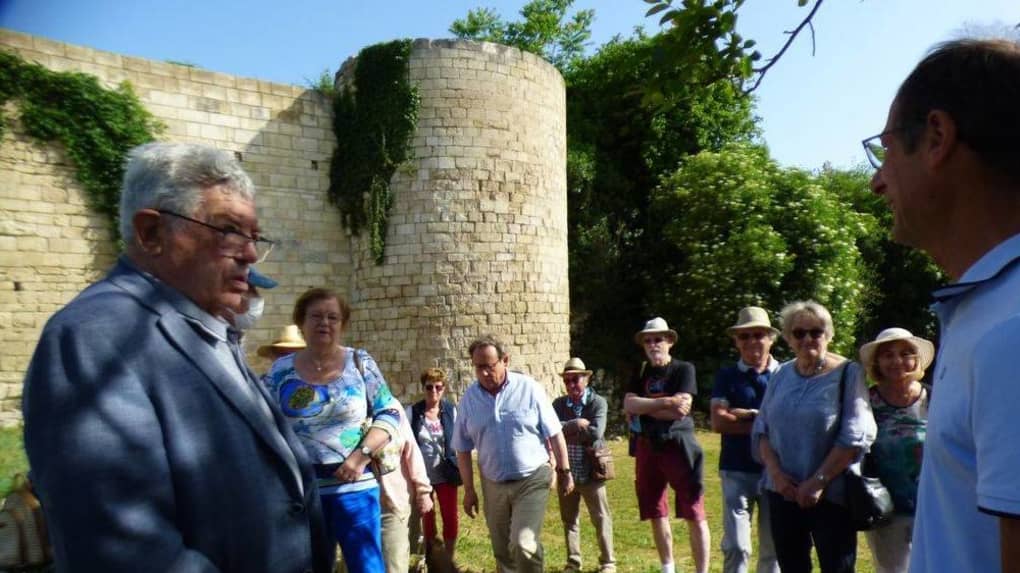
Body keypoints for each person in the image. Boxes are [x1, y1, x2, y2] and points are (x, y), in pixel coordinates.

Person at [21, 142, 334, 572]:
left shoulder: (209, 330)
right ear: (151, 233)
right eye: (227, 230)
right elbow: (126, 551)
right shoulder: (93, 339)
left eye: (254, 237)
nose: (248, 254)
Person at [866, 37, 1020, 573]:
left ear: (936, 137)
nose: (876, 180)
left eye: (884, 150)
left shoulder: (1012, 330)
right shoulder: (987, 309)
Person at [263, 287, 403, 573]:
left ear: (342, 324)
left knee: (368, 568)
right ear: (301, 322)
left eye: (332, 317)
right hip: (302, 495)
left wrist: (360, 457)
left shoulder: (359, 362)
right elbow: (262, 423)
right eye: (315, 316)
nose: (324, 323)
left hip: (356, 489)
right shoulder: (280, 371)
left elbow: (389, 413)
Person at [751, 301, 876, 573]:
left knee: (837, 567)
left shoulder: (848, 372)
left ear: (829, 335)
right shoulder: (781, 373)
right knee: (792, 566)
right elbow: (762, 428)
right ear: (787, 338)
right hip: (782, 492)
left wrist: (818, 481)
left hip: (831, 494)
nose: (808, 338)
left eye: (816, 332)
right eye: (799, 333)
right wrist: (777, 476)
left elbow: (856, 434)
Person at [452, 334, 573, 573]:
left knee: (523, 543)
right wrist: (469, 490)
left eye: (489, 366)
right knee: (502, 551)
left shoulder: (529, 389)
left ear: (505, 360)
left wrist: (565, 470)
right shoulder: (469, 399)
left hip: (532, 478)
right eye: (478, 367)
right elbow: (462, 448)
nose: (484, 373)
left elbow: (555, 433)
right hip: (493, 482)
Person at [624, 317, 711, 573]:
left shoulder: (683, 369)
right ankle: (667, 568)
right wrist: (665, 402)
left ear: (669, 341)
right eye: (648, 340)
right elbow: (629, 405)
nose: (653, 345)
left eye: (658, 339)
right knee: (655, 509)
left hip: (679, 446)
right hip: (647, 446)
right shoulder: (640, 372)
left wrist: (644, 407)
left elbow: (681, 411)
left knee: (694, 510)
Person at [857, 327, 934, 573]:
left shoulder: (934, 398)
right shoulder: (866, 402)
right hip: (886, 507)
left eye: (905, 353)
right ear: (878, 362)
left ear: (916, 359)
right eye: (888, 354)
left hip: (933, 505)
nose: (897, 361)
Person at [710, 307, 781, 573]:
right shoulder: (727, 376)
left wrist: (745, 415)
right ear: (736, 341)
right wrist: (766, 420)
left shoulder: (785, 374)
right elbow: (718, 422)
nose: (752, 341)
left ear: (771, 338)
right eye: (745, 336)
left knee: (772, 549)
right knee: (737, 546)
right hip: (736, 469)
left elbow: (786, 424)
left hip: (776, 471)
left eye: (759, 334)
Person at [552, 357, 617, 573]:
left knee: (600, 517)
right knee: (569, 520)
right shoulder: (558, 404)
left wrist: (565, 432)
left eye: (575, 380)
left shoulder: (598, 403)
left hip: (592, 470)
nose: (571, 385)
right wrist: (576, 424)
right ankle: (573, 562)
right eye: (567, 381)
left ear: (586, 380)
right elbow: (552, 431)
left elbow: (596, 433)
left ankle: (608, 562)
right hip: (566, 470)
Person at [409, 368, 463, 564]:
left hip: (446, 473)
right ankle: (431, 557)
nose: (434, 391)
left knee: (450, 516)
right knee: (427, 518)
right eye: (429, 387)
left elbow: (458, 438)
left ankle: (448, 556)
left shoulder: (451, 411)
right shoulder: (413, 413)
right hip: (423, 476)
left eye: (438, 387)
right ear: (423, 388)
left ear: (444, 389)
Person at [376, 409, 434, 573]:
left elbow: (412, 452)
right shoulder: (342, 406)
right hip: (354, 503)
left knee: (394, 563)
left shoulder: (391, 408)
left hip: (392, 504)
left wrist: (423, 491)